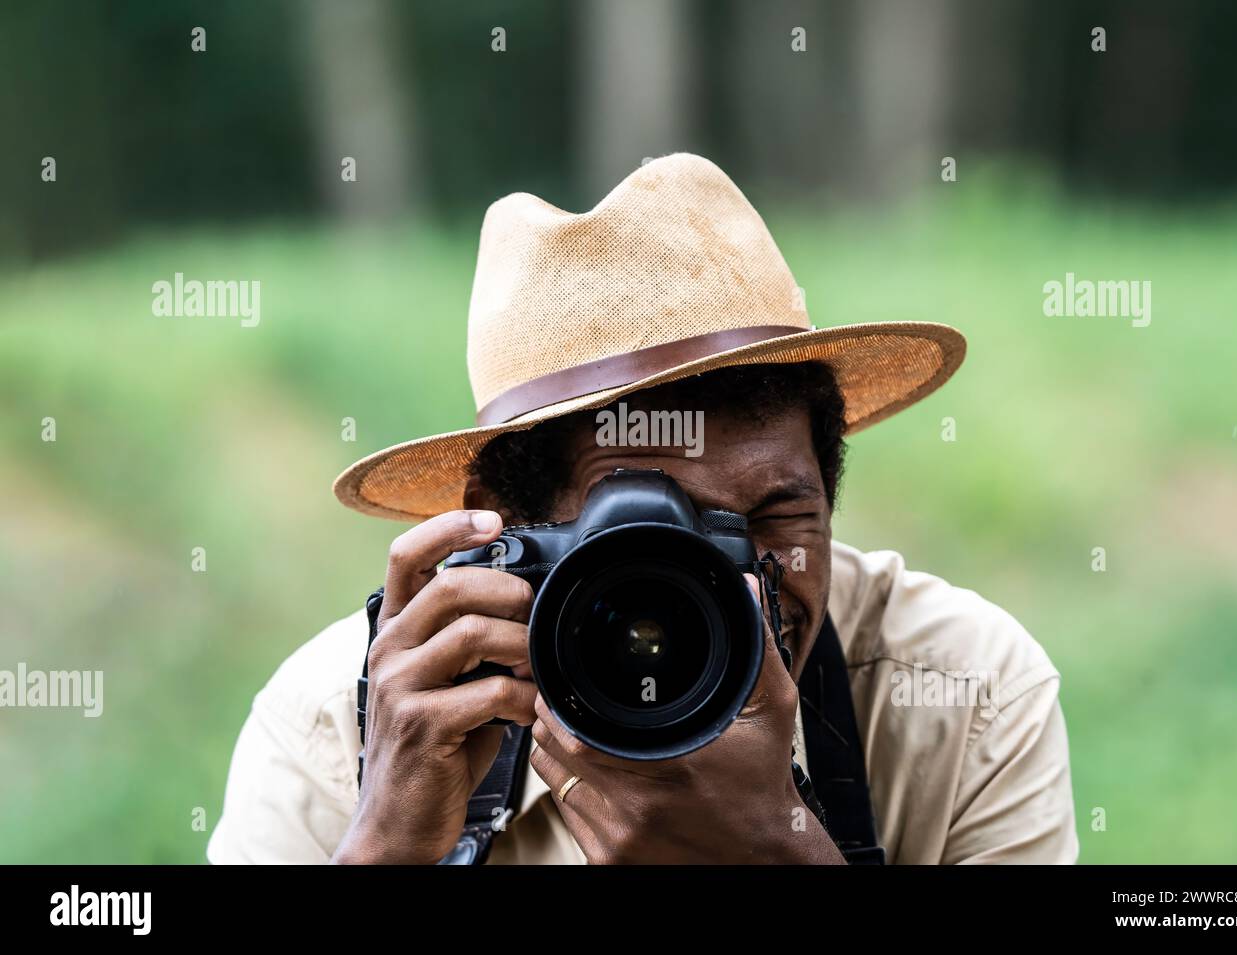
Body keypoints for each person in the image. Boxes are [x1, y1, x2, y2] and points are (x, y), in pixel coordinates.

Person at [208, 154, 1077, 864]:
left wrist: (782, 850)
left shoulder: (959, 693)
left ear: (830, 490)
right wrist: (388, 846)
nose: (737, 581)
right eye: (660, 535)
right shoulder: (338, 727)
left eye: (776, 518)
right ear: (501, 534)